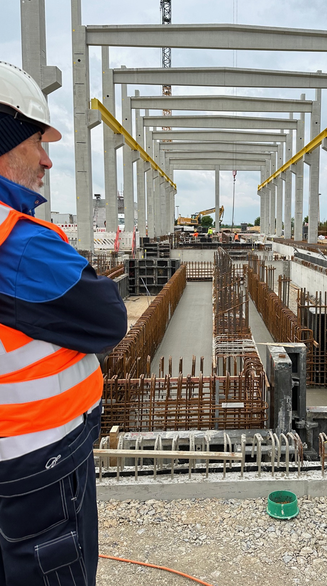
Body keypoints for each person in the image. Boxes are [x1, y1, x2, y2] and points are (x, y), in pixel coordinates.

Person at [0, 61, 127, 585]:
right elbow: (107, 317)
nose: (47, 161)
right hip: (38, 467)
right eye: (37, 142)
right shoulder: (20, 243)